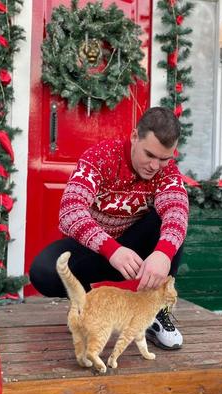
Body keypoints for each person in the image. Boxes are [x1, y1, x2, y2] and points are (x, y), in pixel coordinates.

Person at [30, 106, 189, 350]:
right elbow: (69, 211)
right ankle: (87, 310)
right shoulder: (102, 157)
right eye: (149, 155)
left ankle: (155, 313)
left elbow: (177, 210)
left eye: (164, 158)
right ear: (134, 136)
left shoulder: (167, 171)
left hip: (135, 254)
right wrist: (111, 249)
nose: (155, 166)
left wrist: (163, 254)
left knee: (169, 218)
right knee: (43, 271)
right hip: (96, 250)